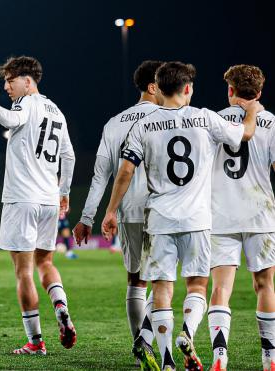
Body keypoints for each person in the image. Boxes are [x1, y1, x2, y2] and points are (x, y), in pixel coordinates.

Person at [101, 61, 262, 371]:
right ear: (188, 88)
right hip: (197, 220)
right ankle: (188, 331)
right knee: (198, 287)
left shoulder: (142, 126)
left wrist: (110, 211)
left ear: (158, 90)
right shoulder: (204, 118)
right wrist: (252, 110)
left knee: (161, 290)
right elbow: (245, 134)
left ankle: (166, 361)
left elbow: (125, 171)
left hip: (159, 219)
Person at [0, 55, 76, 355]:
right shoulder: (57, 111)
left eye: (10, 80)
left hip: (22, 199)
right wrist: (63, 191)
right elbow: (69, 156)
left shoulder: (26, 104)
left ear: (28, 81)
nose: (6, 86)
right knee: (46, 263)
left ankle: (36, 341)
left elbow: (8, 119)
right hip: (48, 201)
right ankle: (61, 308)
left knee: (24, 272)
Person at [72, 60, 164, 369]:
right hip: (165, 209)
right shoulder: (168, 118)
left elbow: (100, 175)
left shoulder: (114, 123)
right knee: (164, 282)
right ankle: (149, 344)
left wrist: (87, 218)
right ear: (153, 86)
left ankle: (141, 349)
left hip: (129, 211)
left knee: (136, 281)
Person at [207, 65, 275, 371]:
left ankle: (220, 356)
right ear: (259, 93)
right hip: (261, 213)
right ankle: (270, 358)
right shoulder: (271, 122)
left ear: (230, 90)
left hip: (221, 214)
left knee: (221, 288)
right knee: (265, 285)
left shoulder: (213, 120)